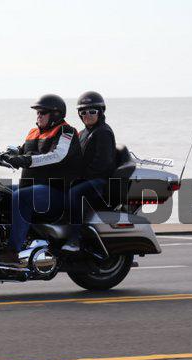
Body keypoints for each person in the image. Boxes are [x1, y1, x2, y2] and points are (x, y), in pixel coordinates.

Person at [0, 94, 81, 264]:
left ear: (55, 114)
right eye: (37, 112)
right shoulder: (34, 132)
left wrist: (26, 160)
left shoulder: (66, 131)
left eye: (42, 112)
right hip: (35, 188)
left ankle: (12, 252)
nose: (38, 116)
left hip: (57, 192)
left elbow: (57, 155)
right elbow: (20, 152)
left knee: (21, 196)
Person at [63, 91, 116, 252]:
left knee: (74, 193)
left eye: (92, 111)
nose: (87, 115)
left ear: (100, 112)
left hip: (100, 181)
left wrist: (78, 178)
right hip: (87, 178)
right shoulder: (83, 133)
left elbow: (102, 165)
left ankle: (75, 238)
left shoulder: (103, 132)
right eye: (83, 112)